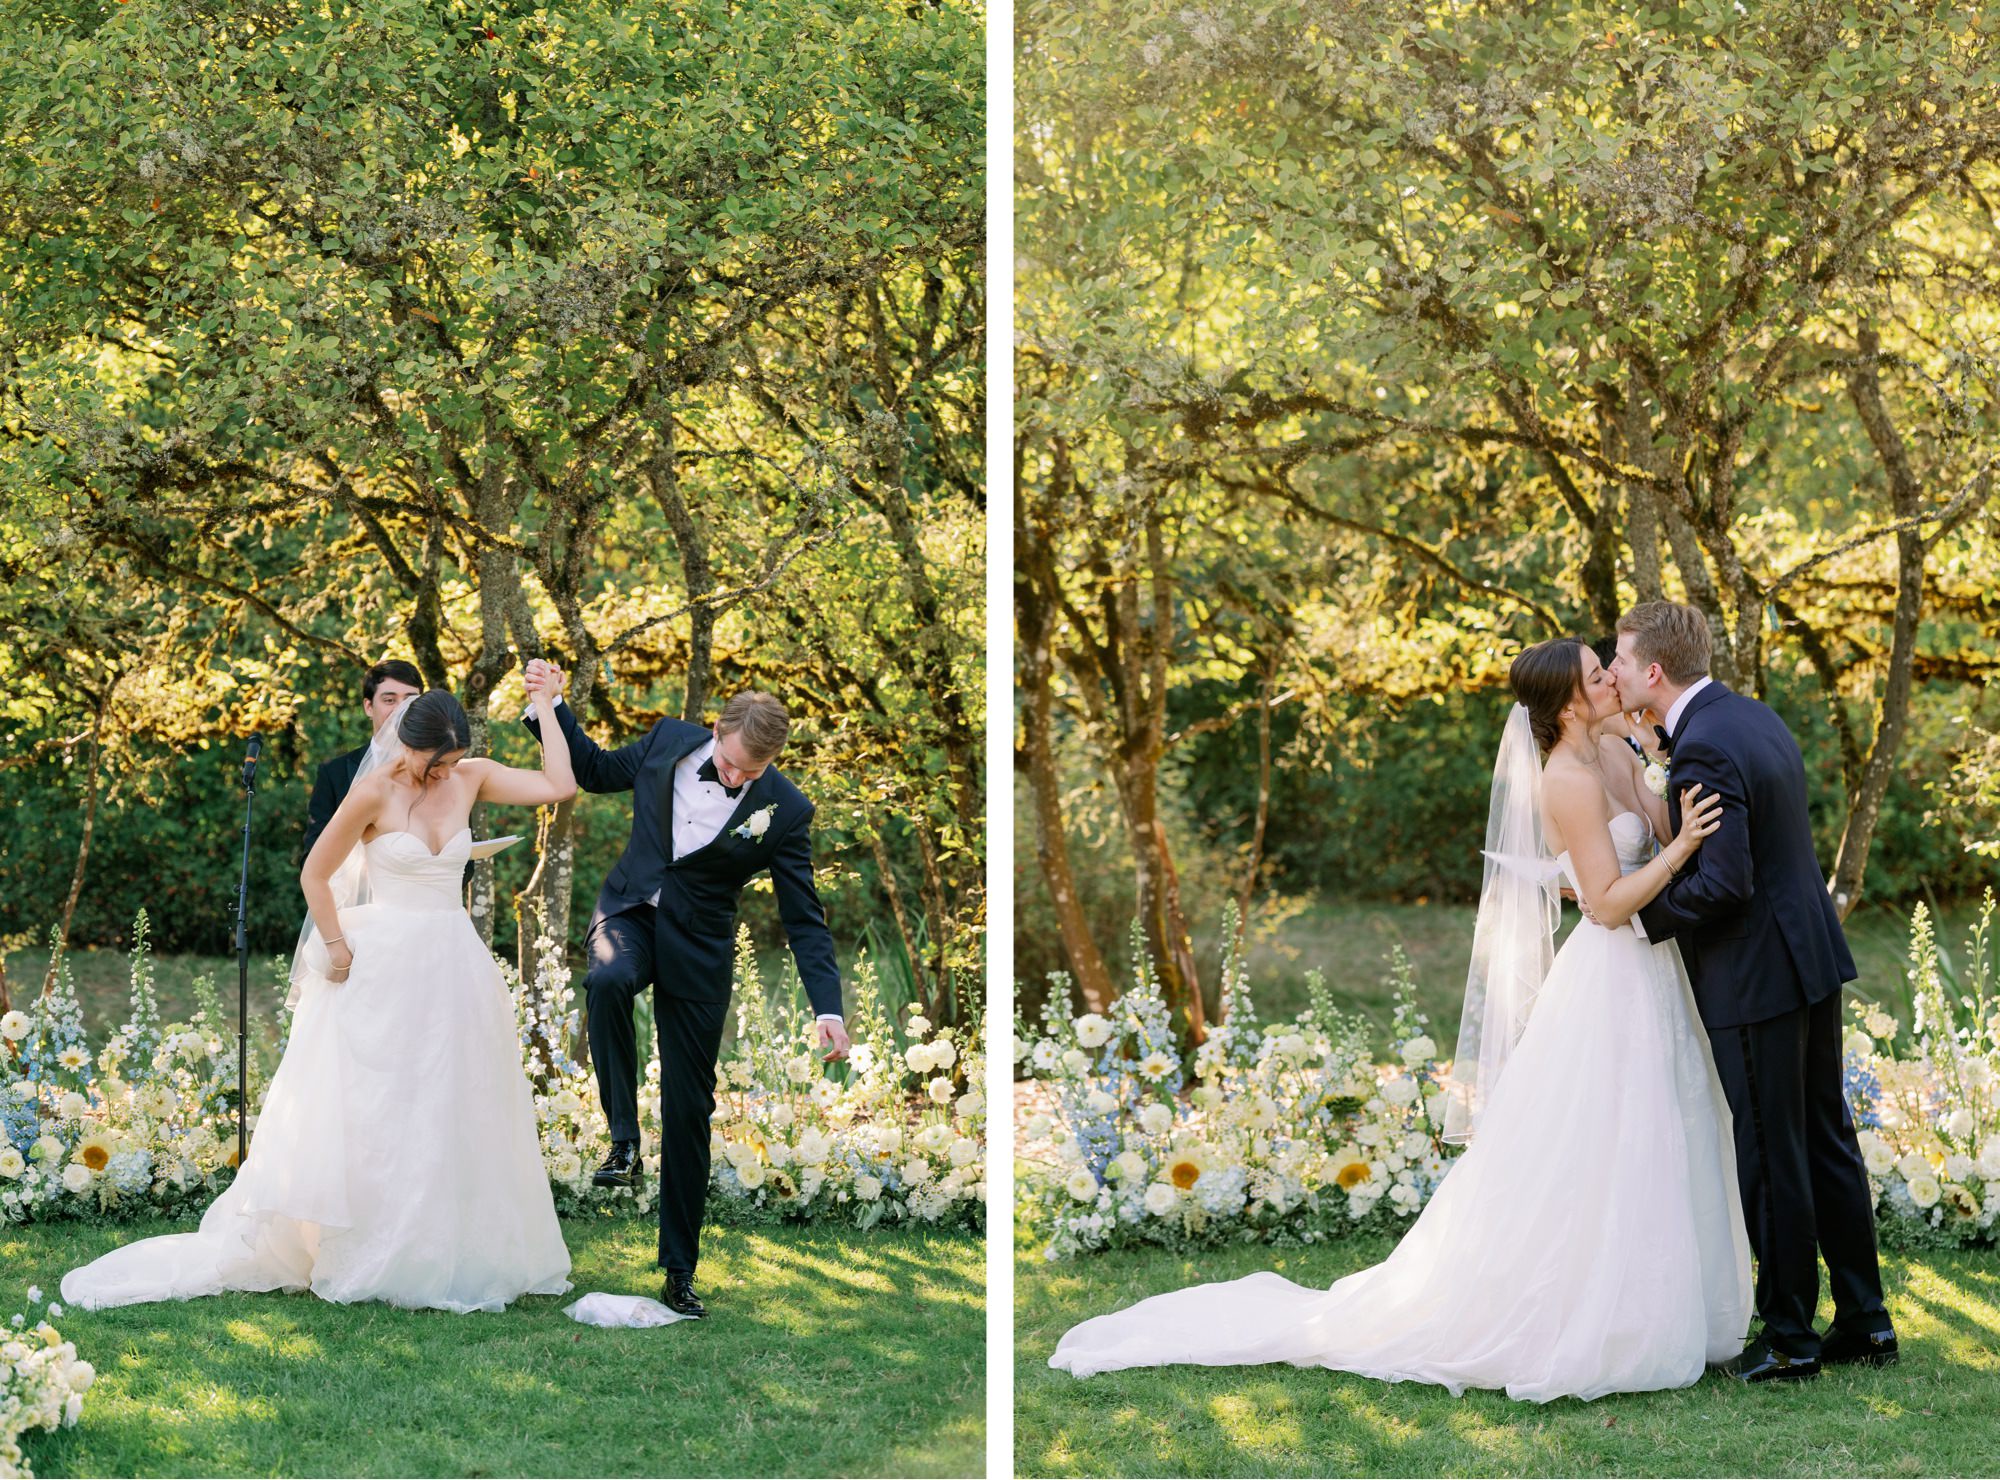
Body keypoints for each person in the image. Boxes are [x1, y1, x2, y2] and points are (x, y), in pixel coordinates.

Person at [1049, 637, 1752, 1402]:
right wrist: (1682, 849)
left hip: (1658, 973)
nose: (1611, 678)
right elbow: (1609, 904)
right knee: (1607, 1138)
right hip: (1612, 972)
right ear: (1565, 703)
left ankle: (1668, 1306)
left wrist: (1655, 763)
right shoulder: (1566, 780)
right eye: (1595, 675)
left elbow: (1651, 817)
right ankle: (1597, 1318)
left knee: (1665, 1128)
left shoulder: (1616, 749)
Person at [63, 684, 578, 1314]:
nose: (439, 772)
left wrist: (549, 707)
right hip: (383, 963)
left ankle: (448, 1244)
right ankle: (365, 1241)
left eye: (448, 761)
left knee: (453, 1099)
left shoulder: (470, 778)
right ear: (407, 744)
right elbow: (315, 871)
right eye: (430, 761)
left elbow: (559, 785)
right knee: (379, 1105)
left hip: (453, 964)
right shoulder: (373, 791)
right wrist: (335, 944)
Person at [1611, 600, 1895, 1378]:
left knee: (1771, 1152)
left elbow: (1727, 882)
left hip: (1754, 969)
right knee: (1825, 1138)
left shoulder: (1702, 750)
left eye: (1623, 661)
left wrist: (1637, 916)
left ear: (1655, 671)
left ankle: (1791, 1338)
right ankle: (1867, 1322)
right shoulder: (1750, 719)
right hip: (1806, 957)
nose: (1614, 672)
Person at [521, 661, 846, 1320]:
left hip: (699, 952)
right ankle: (622, 1141)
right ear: (716, 732)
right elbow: (596, 770)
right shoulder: (668, 740)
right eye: (727, 764)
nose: (733, 779)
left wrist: (828, 1008)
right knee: (608, 977)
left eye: (747, 776)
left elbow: (803, 917)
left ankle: (678, 1271)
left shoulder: (786, 810)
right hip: (629, 914)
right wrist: (550, 708)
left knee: (690, 1108)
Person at [302, 659, 422, 859]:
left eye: (410, 700)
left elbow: (464, 864)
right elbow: (312, 858)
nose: (401, 710)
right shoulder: (334, 773)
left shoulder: (441, 769)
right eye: (390, 700)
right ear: (368, 707)